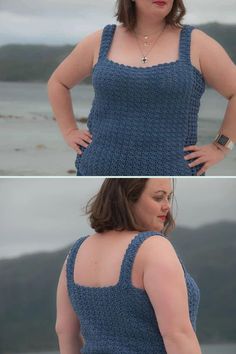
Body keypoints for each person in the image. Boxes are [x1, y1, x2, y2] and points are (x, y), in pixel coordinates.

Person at [48, 0, 236, 176]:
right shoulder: (101, 40)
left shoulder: (196, 43)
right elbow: (58, 83)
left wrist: (220, 147)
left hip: (173, 172)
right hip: (96, 170)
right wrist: (69, 131)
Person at [55, 178, 202, 354]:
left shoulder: (76, 253)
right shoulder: (153, 247)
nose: (167, 206)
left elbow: (65, 331)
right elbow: (178, 335)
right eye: (158, 198)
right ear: (128, 198)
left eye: (169, 198)